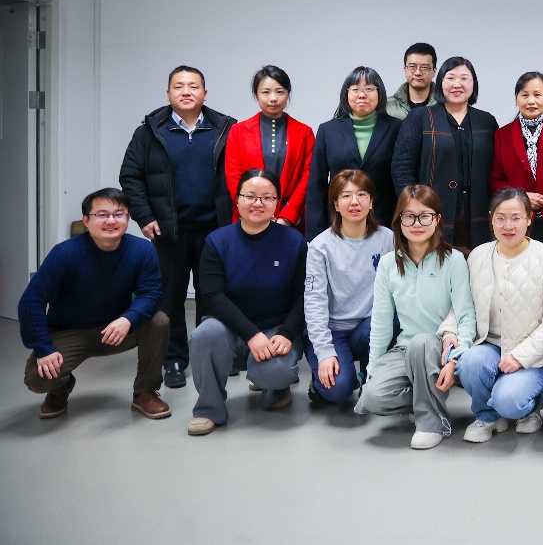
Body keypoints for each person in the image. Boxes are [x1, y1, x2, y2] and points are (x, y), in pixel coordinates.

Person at [119, 65, 236, 390]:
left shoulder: (225, 129)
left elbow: (239, 176)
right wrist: (144, 216)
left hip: (214, 231)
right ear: (168, 93)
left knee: (212, 297)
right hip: (167, 232)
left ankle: (212, 355)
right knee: (169, 300)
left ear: (205, 93)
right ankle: (173, 359)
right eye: (179, 86)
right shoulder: (148, 132)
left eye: (193, 86)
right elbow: (130, 176)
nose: (186, 91)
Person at [19, 188, 170, 420]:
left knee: (159, 321)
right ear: (86, 220)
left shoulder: (142, 250)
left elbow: (151, 294)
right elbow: (31, 301)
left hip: (115, 330)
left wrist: (128, 319)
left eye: (118, 214)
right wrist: (43, 348)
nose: (111, 221)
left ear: (128, 218)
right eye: (102, 214)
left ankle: (145, 392)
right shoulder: (65, 254)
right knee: (37, 379)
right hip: (68, 332)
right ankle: (60, 388)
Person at [356, 185, 477, 450]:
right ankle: (426, 397)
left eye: (425, 216)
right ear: (399, 221)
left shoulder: (454, 260)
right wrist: (372, 368)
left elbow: (466, 315)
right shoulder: (388, 263)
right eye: (409, 216)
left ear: (437, 219)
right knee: (371, 398)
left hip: (439, 348)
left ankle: (432, 423)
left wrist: (455, 359)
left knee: (422, 342)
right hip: (404, 349)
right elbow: (381, 322)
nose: (417, 224)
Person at [187, 170, 307, 436]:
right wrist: (251, 334)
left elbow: (304, 295)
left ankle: (276, 388)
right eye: (250, 196)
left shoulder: (293, 242)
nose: (258, 203)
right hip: (229, 328)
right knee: (205, 335)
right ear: (237, 200)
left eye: (267, 197)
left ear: (276, 203)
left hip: (275, 329)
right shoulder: (218, 241)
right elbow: (212, 296)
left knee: (274, 372)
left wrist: (287, 333)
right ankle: (208, 409)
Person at [456, 189, 543, 442]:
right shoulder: (478, 255)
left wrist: (520, 356)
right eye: (500, 218)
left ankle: (530, 407)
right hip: (490, 344)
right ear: (491, 219)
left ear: (529, 219)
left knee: (509, 401)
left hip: (534, 353)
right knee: (470, 363)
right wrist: (449, 333)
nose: (508, 226)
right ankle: (486, 416)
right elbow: (462, 305)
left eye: (516, 218)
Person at [303, 170, 394, 406]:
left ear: (371, 202)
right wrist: (324, 352)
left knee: (395, 319)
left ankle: (367, 374)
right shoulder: (320, 246)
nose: (354, 202)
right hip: (333, 330)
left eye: (362, 194)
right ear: (336, 204)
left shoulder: (388, 239)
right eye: (346, 196)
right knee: (338, 390)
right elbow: (314, 303)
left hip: (369, 327)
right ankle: (333, 377)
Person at [392, 56, 498, 250]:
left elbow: (496, 168)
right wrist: (413, 205)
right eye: (450, 78)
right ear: (440, 82)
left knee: (477, 262)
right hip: (431, 211)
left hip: (478, 212)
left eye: (464, 78)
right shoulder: (420, 117)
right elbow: (402, 166)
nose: (457, 84)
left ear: (473, 83)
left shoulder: (487, 121)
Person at [307, 66, 401, 239]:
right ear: (346, 94)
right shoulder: (328, 130)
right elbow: (317, 185)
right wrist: (315, 234)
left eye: (369, 89)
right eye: (355, 89)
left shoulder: (397, 128)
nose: (362, 95)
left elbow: (400, 180)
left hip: (384, 222)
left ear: (380, 93)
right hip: (338, 223)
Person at [225, 65, 314, 233]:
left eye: (280, 92)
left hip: (289, 222)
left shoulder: (304, 133)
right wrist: (252, 211)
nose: (273, 98)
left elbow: (307, 177)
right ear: (256, 95)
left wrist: (286, 217)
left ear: (288, 94)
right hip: (248, 219)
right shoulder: (238, 131)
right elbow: (233, 176)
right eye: (266, 92)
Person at [491, 71, 543, 250]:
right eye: (524, 95)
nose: (531, 101)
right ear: (516, 99)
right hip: (517, 219)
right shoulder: (502, 135)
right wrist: (522, 196)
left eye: (537, 95)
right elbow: (495, 180)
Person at [387, 42, 441, 120]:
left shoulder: (445, 106)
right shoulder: (388, 107)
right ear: (405, 70)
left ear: (434, 71)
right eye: (412, 67)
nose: (418, 73)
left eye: (424, 67)